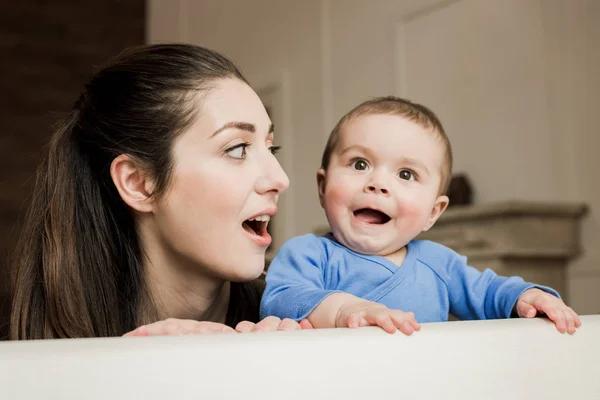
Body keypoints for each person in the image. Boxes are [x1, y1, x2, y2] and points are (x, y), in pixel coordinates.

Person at [10, 43, 312, 339]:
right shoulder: (31, 366)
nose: (279, 178)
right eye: (237, 149)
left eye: (272, 148)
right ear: (138, 183)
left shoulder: (305, 320)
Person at [260, 96, 581, 335]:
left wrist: (529, 296)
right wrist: (345, 308)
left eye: (406, 174)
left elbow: (488, 292)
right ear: (323, 185)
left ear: (433, 212)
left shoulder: (439, 264)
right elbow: (280, 299)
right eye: (360, 164)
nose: (378, 184)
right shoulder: (309, 254)